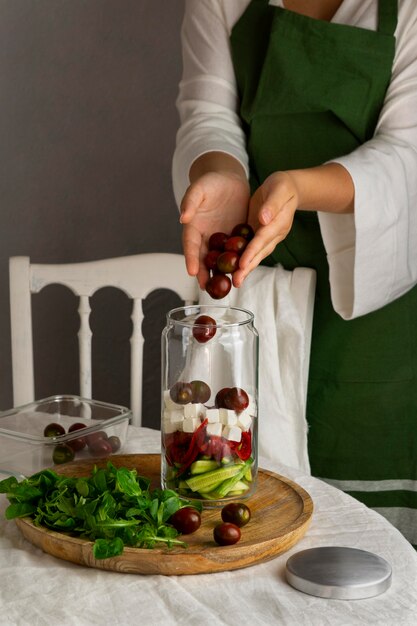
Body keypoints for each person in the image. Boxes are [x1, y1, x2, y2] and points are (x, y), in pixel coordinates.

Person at [172, 0, 417, 547]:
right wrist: (221, 174)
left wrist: (299, 189)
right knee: (254, 519)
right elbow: (207, 112)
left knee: (375, 548)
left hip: (378, 298)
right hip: (255, 278)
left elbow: (409, 153)